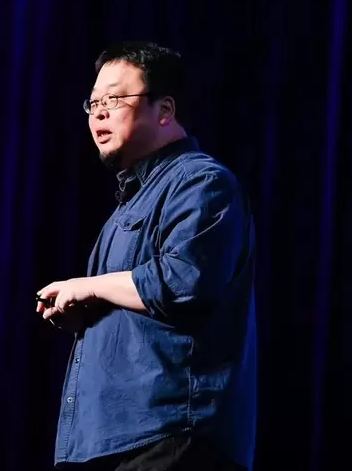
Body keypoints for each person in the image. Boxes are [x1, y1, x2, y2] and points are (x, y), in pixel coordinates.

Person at [36, 41, 257, 471]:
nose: (99, 114)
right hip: (112, 439)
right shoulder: (128, 206)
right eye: (94, 103)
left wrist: (90, 287)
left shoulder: (201, 182)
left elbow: (185, 281)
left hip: (171, 435)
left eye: (114, 99)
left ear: (165, 109)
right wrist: (88, 315)